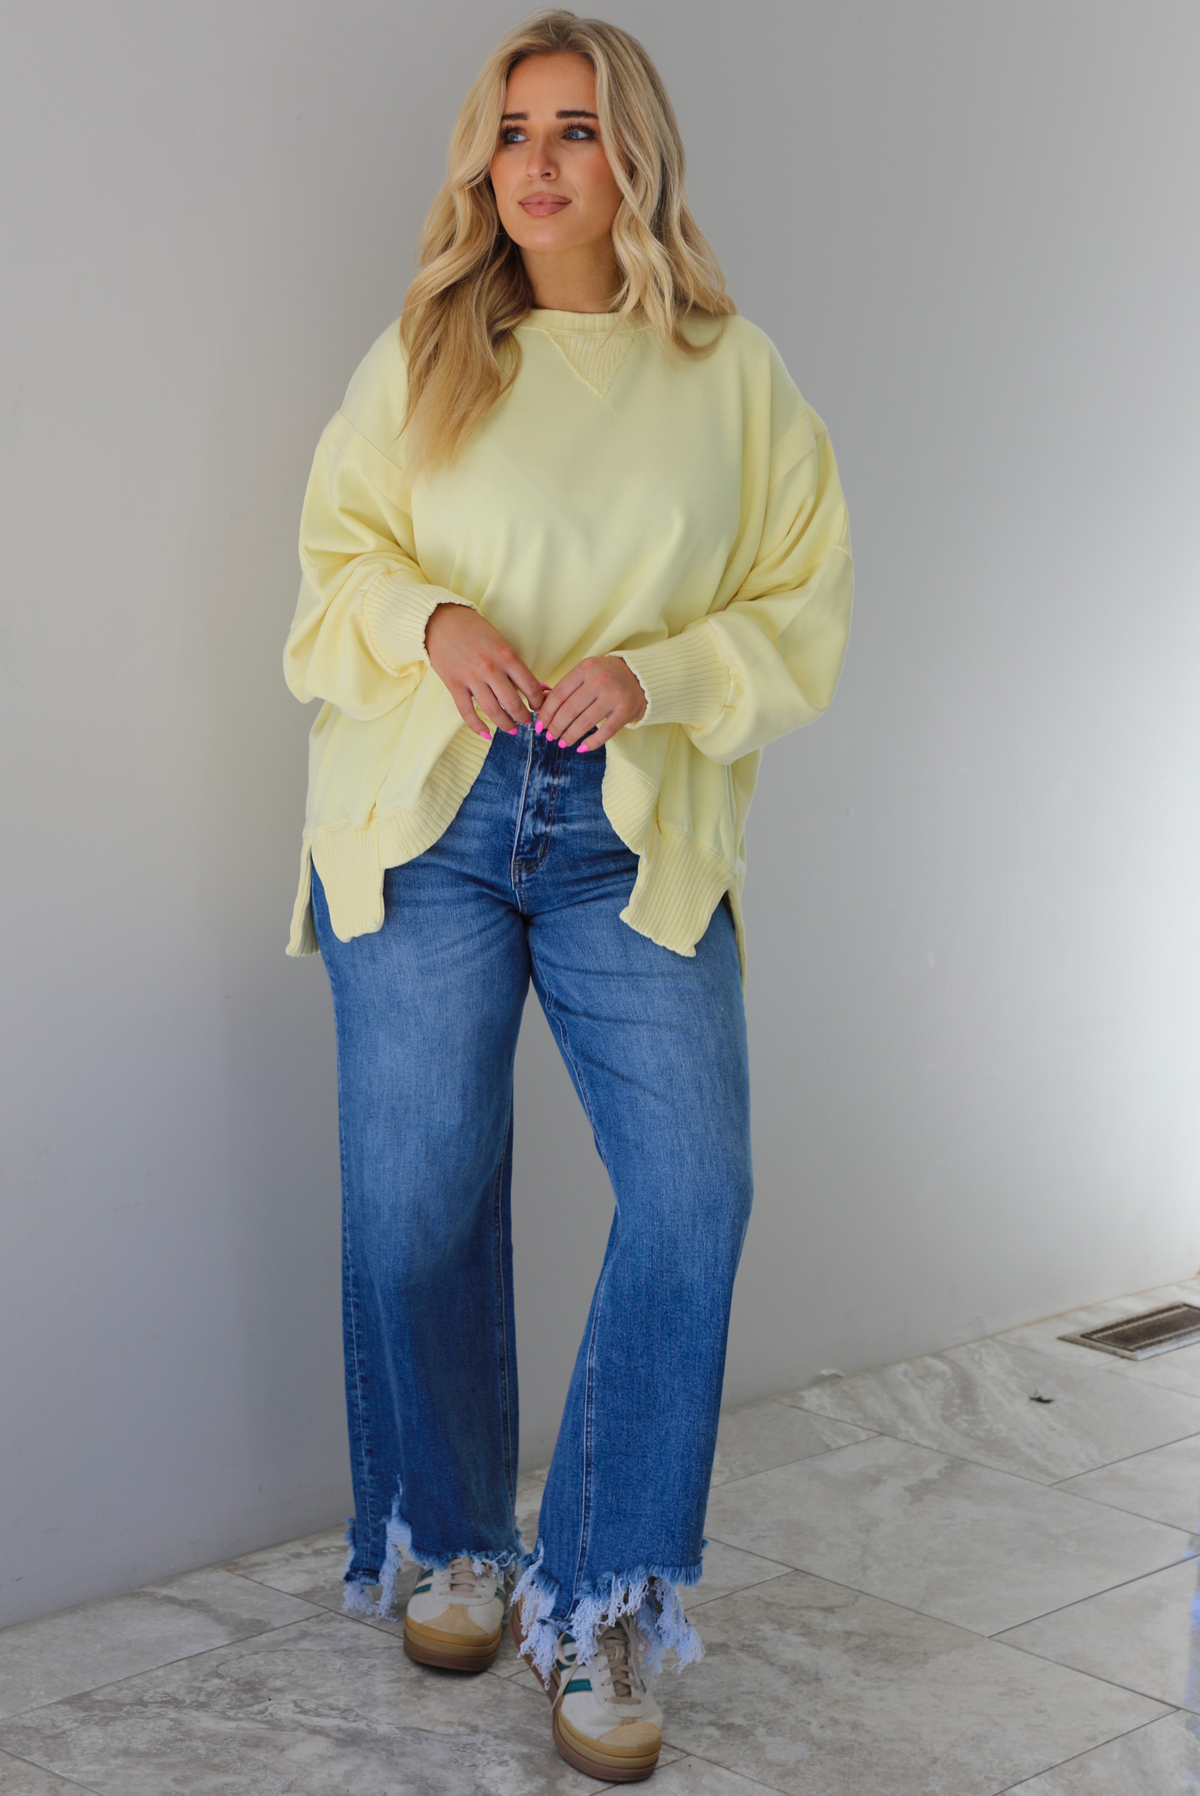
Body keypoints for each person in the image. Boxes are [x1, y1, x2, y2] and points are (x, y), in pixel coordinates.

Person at [283, 9, 852, 1782]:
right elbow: (332, 570)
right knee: (417, 1198)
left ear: (636, 162)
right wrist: (431, 626)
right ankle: (450, 1534)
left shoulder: (731, 374)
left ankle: (597, 1590)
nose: (536, 160)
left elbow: (802, 609)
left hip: (632, 827)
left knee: (695, 1190)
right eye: (511, 128)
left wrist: (660, 676)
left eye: (575, 129)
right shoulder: (429, 349)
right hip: (429, 811)